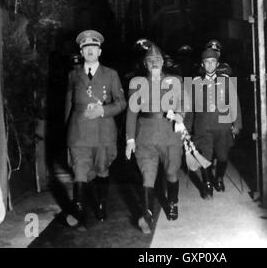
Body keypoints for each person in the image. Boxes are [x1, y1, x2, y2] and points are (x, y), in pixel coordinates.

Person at [65, 30, 126, 227]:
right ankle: (79, 208)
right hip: (79, 132)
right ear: (81, 52)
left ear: (99, 52)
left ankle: (101, 204)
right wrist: (67, 131)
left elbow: (121, 103)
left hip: (103, 131)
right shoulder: (73, 75)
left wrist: (103, 110)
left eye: (94, 48)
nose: (90, 51)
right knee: (80, 170)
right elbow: (68, 105)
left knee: (102, 169)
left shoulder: (111, 74)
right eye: (86, 48)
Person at [125, 43, 187, 234]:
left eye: (157, 60)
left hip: (169, 134)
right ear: (145, 64)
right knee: (147, 176)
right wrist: (130, 140)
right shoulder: (136, 83)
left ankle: (173, 202)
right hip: (145, 136)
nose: (154, 63)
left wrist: (180, 116)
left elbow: (184, 103)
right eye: (150, 61)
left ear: (163, 63)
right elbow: (132, 112)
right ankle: (147, 215)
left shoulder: (175, 81)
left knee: (171, 172)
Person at [185, 48, 242, 199]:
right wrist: (187, 129)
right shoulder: (194, 83)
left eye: (212, 62)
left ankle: (219, 178)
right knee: (205, 155)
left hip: (222, 126)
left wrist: (236, 124)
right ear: (202, 65)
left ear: (217, 64)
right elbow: (190, 109)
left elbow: (234, 104)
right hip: (203, 126)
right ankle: (207, 184)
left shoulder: (226, 81)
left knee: (223, 156)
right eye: (206, 62)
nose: (209, 65)